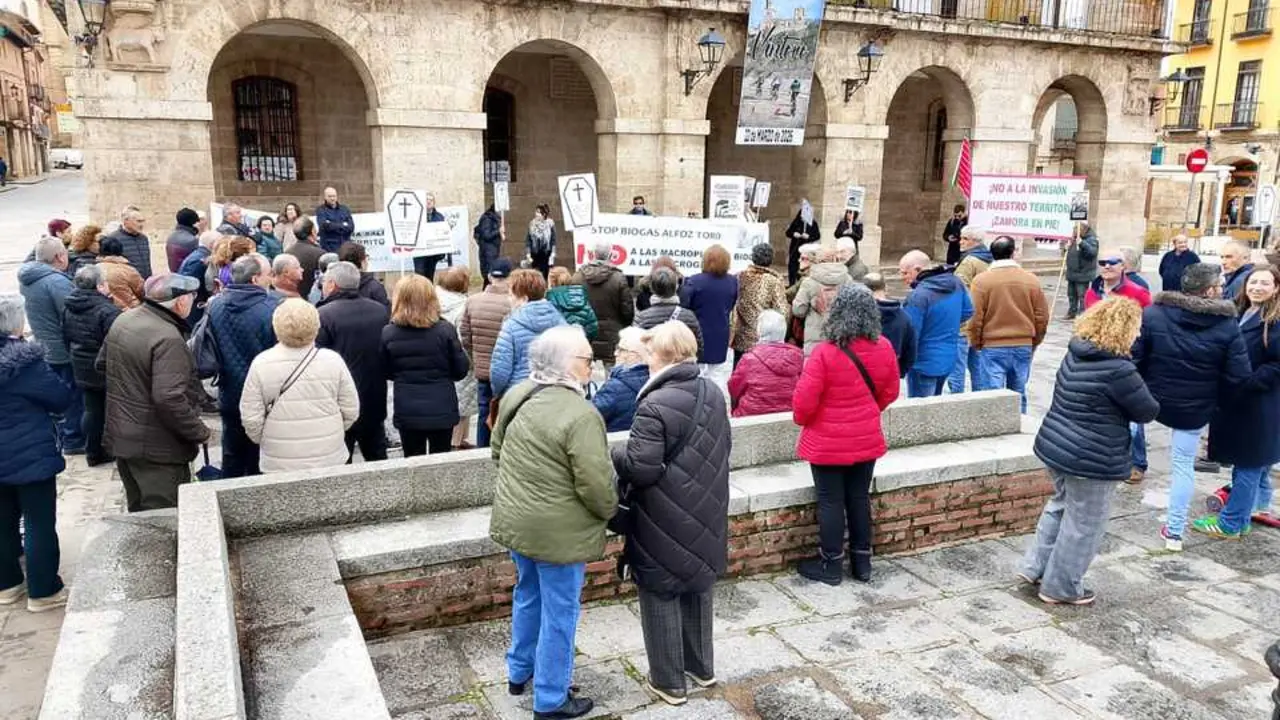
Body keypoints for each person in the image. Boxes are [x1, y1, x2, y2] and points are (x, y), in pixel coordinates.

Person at [489, 325, 616, 720]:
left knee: (528, 594)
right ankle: (550, 698)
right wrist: (610, 511)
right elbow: (596, 485)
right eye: (586, 359)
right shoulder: (581, 414)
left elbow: (497, 451)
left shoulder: (518, 394)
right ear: (566, 364)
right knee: (560, 613)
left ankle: (519, 671)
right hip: (558, 533)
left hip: (518, 522)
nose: (591, 366)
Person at [612, 321, 730, 706]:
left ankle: (669, 682)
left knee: (660, 590)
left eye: (649, 353)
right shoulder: (712, 392)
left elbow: (642, 469)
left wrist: (616, 453)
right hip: (707, 507)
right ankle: (701, 667)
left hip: (663, 514)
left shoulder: (654, 404)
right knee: (697, 584)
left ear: (660, 356)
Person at [1024, 297, 1159, 605]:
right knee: (1085, 524)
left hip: (1057, 445)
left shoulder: (1075, 352)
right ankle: (1061, 587)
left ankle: (1034, 567)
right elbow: (1146, 410)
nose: (1139, 334)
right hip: (1092, 456)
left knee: (1059, 506)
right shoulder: (1119, 370)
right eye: (1136, 328)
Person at [1131, 262, 1249, 548]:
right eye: (1219, 285)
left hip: (1149, 398)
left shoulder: (1154, 313)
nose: (1222, 289)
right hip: (1194, 408)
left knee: (1118, 449)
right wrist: (1218, 403)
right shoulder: (1227, 325)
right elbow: (1238, 376)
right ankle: (1174, 533)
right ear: (1209, 290)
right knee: (1183, 466)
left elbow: (1135, 358)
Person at [793, 284, 901, 585]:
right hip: (865, 437)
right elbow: (891, 391)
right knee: (858, 498)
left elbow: (803, 404)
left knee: (830, 501)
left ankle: (831, 564)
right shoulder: (884, 347)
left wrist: (807, 420)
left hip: (827, 442)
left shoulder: (825, 353)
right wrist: (867, 410)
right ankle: (862, 563)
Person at [103, 275, 209, 511]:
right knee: (164, 518)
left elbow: (102, 365)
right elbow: (169, 398)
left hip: (124, 437)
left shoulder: (124, 319)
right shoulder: (168, 338)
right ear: (181, 302)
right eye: (191, 296)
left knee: (138, 512)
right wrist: (199, 431)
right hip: (158, 449)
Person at [0, 294, 75, 612]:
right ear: (17, 324)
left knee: (2, 522)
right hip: (29, 454)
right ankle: (43, 591)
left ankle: (7, 586)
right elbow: (59, 398)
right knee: (38, 521)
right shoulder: (25, 363)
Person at [1197, 265, 1280, 539]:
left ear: (1276, 288)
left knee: (1249, 463)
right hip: (1236, 401)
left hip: (1258, 402)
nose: (1257, 287)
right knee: (1248, 462)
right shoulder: (1240, 311)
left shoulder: (1275, 320)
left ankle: (1230, 523)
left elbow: (1276, 365)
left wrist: (1248, 383)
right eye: (1253, 282)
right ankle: (1245, 516)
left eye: (1264, 283)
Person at [240, 298, 359, 473]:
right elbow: (351, 409)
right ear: (316, 326)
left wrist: (266, 439)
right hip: (328, 456)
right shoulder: (333, 360)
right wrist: (333, 430)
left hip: (279, 461)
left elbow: (251, 417)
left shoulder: (261, 363)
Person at [206, 255, 280, 478]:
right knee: (260, 457)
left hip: (229, 391)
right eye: (268, 274)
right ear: (255, 279)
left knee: (232, 454)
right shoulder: (272, 308)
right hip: (264, 397)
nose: (271, 279)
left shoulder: (215, 305)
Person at [381, 275, 470, 456]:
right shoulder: (445, 330)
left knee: (413, 461)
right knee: (441, 461)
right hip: (442, 406)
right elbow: (460, 370)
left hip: (408, 407)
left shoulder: (389, 333)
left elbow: (386, 370)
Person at [317, 261, 391, 462]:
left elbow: (319, 358)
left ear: (332, 284)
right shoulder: (379, 311)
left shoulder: (324, 315)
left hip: (339, 399)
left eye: (325, 281)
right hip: (374, 395)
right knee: (377, 456)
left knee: (342, 460)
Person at [967, 236, 1049, 412]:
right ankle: (1021, 425)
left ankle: (996, 426)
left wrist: (976, 342)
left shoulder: (981, 281)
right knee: (1018, 394)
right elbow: (1042, 316)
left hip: (992, 345)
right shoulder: (1031, 280)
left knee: (993, 397)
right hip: (1023, 344)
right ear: (1013, 252)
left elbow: (975, 317)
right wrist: (1034, 340)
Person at [18, 237, 83, 453]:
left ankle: (62, 436)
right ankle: (73, 440)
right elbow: (72, 316)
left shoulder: (29, 278)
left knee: (56, 395)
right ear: (59, 257)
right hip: (63, 349)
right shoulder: (56, 282)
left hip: (44, 345)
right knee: (72, 396)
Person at [62, 266, 122, 467]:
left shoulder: (69, 306)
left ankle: (93, 451)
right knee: (108, 410)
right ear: (100, 286)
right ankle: (106, 449)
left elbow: (65, 336)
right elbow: (116, 343)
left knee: (92, 410)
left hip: (81, 365)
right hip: (104, 367)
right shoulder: (107, 310)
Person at [491, 269, 567, 397]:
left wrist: (499, 394)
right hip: (555, 393)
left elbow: (499, 372)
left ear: (524, 299)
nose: (508, 299)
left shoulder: (510, 327)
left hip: (519, 394)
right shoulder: (561, 322)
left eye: (511, 295)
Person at [681, 245, 738, 390]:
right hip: (720, 332)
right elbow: (731, 305)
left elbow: (684, 306)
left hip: (696, 333)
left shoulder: (694, 281)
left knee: (697, 371)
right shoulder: (732, 282)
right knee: (717, 374)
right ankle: (716, 398)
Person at [728, 309, 803, 417]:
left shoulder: (749, 360)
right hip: (789, 414)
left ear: (759, 331)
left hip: (751, 416)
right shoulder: (798, 358)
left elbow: (734, 389)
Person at [436, 266, 479, 450]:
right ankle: (456, 442)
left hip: (439, 357)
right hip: (460, 358)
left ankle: (462, 438)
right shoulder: (462, 306)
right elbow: (464, 337)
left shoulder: (433, 299)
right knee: (462, 403)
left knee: (460, 400)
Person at [573, 241, 633, 366]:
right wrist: (624, 326)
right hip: (612, 333)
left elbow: (574, 307)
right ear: (610, 255)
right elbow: (627, 311)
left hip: (586, 333)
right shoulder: (618, 278)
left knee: (583, 369)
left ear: (593, 254)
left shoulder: (578, 277)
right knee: (611, 371)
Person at [949, 227, 994, 393]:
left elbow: (959, 289)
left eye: (965, 239)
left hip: (964, 324)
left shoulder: (969, 262)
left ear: (975, 241)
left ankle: (956, 400)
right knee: (978, 368)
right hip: (982, 321)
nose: (961, 242)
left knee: (957, 369)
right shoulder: (990, 260)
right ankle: (980, 400)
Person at [732, 243, 788, 365]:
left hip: (741, 337)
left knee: (739, 371)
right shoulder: (773, 281)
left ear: (753, 257)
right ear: (771, 259)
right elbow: (782, 311)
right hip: (763, 338)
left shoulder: (739, 277)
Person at [792, 246, 854, 356]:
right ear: (835, 259)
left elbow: (798, 310)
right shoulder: (848, 280)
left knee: (815, 365)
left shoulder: (809, 282)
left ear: (818, 260)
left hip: (815, 341)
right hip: (841, 338)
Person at [591, 325, 651, 433]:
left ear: (634, 355)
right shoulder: (656, 380)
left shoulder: (614, 388)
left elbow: (588, 416)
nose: (615, 353)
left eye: (621, 349)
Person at [637, 267, 703, 358]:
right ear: (676, 287)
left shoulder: (641, 318)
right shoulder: (689, 317)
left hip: (652, 365)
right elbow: (698, 348)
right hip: (681, 364)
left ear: (652, 288)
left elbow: (636, 349)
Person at [863, 273, 917, 377]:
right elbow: (911, 352)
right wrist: (898, 373)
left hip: (863, 374)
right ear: (886, 288)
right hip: (890, 374)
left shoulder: (859, 315)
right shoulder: (904, 317)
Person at [179, 230, 220, 328]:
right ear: (213, 244)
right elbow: (188, 286)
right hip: (195, 309)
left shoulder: (198, 256)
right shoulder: (200, 260)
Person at [1085, 250, 1151, 309]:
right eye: (1102, 263)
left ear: (1123, 265)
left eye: (1112, 262)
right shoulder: (1091, 293)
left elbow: (1148, 317)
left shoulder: (1139, 293)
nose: (1107, 266)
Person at [546, 266, 598, 340]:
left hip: (557, 344)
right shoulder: (581, 296)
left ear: (552, 283)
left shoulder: (549, 300)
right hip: (581, 343)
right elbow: (593, 326)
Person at [102, 206, 152, 279]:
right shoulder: (113, 239)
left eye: (142, 221)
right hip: (126, 282)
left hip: (145, 282)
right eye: (138, 221)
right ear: (126, 221)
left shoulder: (144, 239)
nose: (141, 225)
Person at [97, 236, 146, 310]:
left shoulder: (94, 269)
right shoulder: (128, 270)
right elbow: (142, 291)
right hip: (130, 310)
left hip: (106, 310)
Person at [1062, 221, 1099, 319]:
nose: (1074, 231)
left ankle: (1082, 313)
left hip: (1083, 273)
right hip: (1072, 272)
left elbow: (1092, 252)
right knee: (1071, 294)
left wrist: (1082, 243)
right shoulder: (1073, 239)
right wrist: (1065, 249)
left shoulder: (1091, 239)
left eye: (1076, 229)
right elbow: (1066, 254)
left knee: (1082, 295)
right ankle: (1072, 311)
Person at [337, 242, 389, 308]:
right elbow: (384, 311)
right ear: (362, 262)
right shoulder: (375, 287)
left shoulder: (333, 285)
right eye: (366, 257)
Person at [285, 217, 324, 300]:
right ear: (313, 231)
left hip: (290, 299)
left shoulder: (287, 253)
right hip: (313, 301)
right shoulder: (320, 254)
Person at [412, 193, 448, 281]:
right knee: (419, 277)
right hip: (420, 253)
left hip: (433, 253)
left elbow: (443, 233)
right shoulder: (417, 215)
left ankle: (429, 290)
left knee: (429, 277)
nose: (428, 202)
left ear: (434, 203)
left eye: (431, 200)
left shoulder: (440, 217)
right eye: (426, 200)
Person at [785, 200, 821, 285]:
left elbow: (817, 236)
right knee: (792, 267)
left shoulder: (813, 223)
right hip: (795, 248)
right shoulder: (797, 222)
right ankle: (791, 283)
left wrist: (809, 237)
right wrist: (794, 234)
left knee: (803, 268)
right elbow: (788, 232)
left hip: (806, 250)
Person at [316, 187, 355, 253]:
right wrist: (343, 225)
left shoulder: (344, 209)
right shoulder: (321, 210)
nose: (332, 198)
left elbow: (351, 227)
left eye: (334, 196)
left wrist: (331, 224)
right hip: (329, 248)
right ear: (325, 197)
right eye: (329, 196)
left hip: (345, 247)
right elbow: (324, 226)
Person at [526, 204, 556, 279]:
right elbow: (528, 240)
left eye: (539, 212)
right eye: (536, 212)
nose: (536, 214)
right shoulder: (532, 224)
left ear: (544, 214)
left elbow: (553, 240)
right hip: (535, 253)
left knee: (545, 274)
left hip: (546, 253)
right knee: (535, 275)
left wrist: (553, 253)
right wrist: (528, 253)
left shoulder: (550, 224)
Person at [474, 205, 504, 283]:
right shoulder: (487, 219)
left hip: (492, 250)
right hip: (488, 252)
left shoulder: (494, 218)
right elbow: (486, 235)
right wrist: (498, 231)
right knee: (489, 277)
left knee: (490, 278)